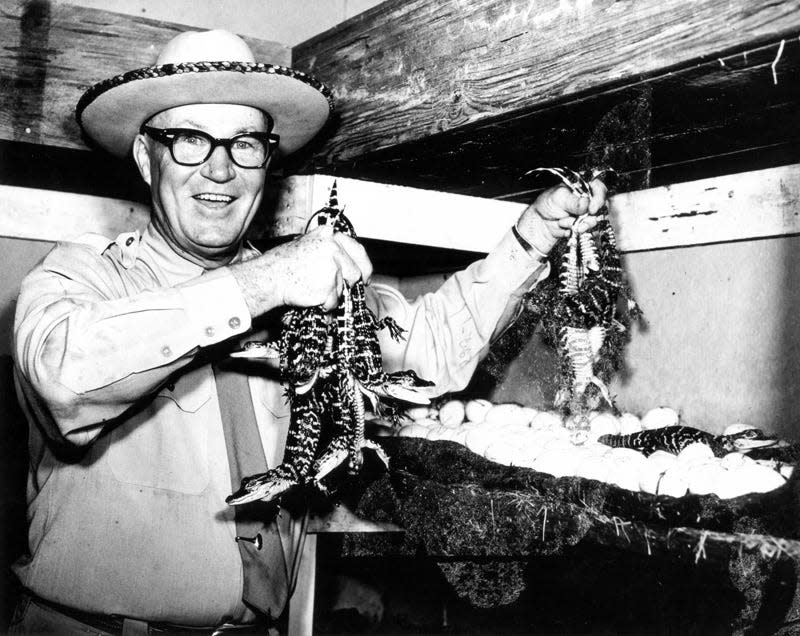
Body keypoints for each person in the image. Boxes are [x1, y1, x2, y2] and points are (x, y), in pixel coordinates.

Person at [9, 29, 606, 635]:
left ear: (267, 160)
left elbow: (428, 348)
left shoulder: (311, 290)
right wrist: (262, 282)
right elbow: (63, 379)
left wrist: (531, 239)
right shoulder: (84, 273)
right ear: (145, 156)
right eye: (189, 140)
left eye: (244, 143)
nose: (220, 168)